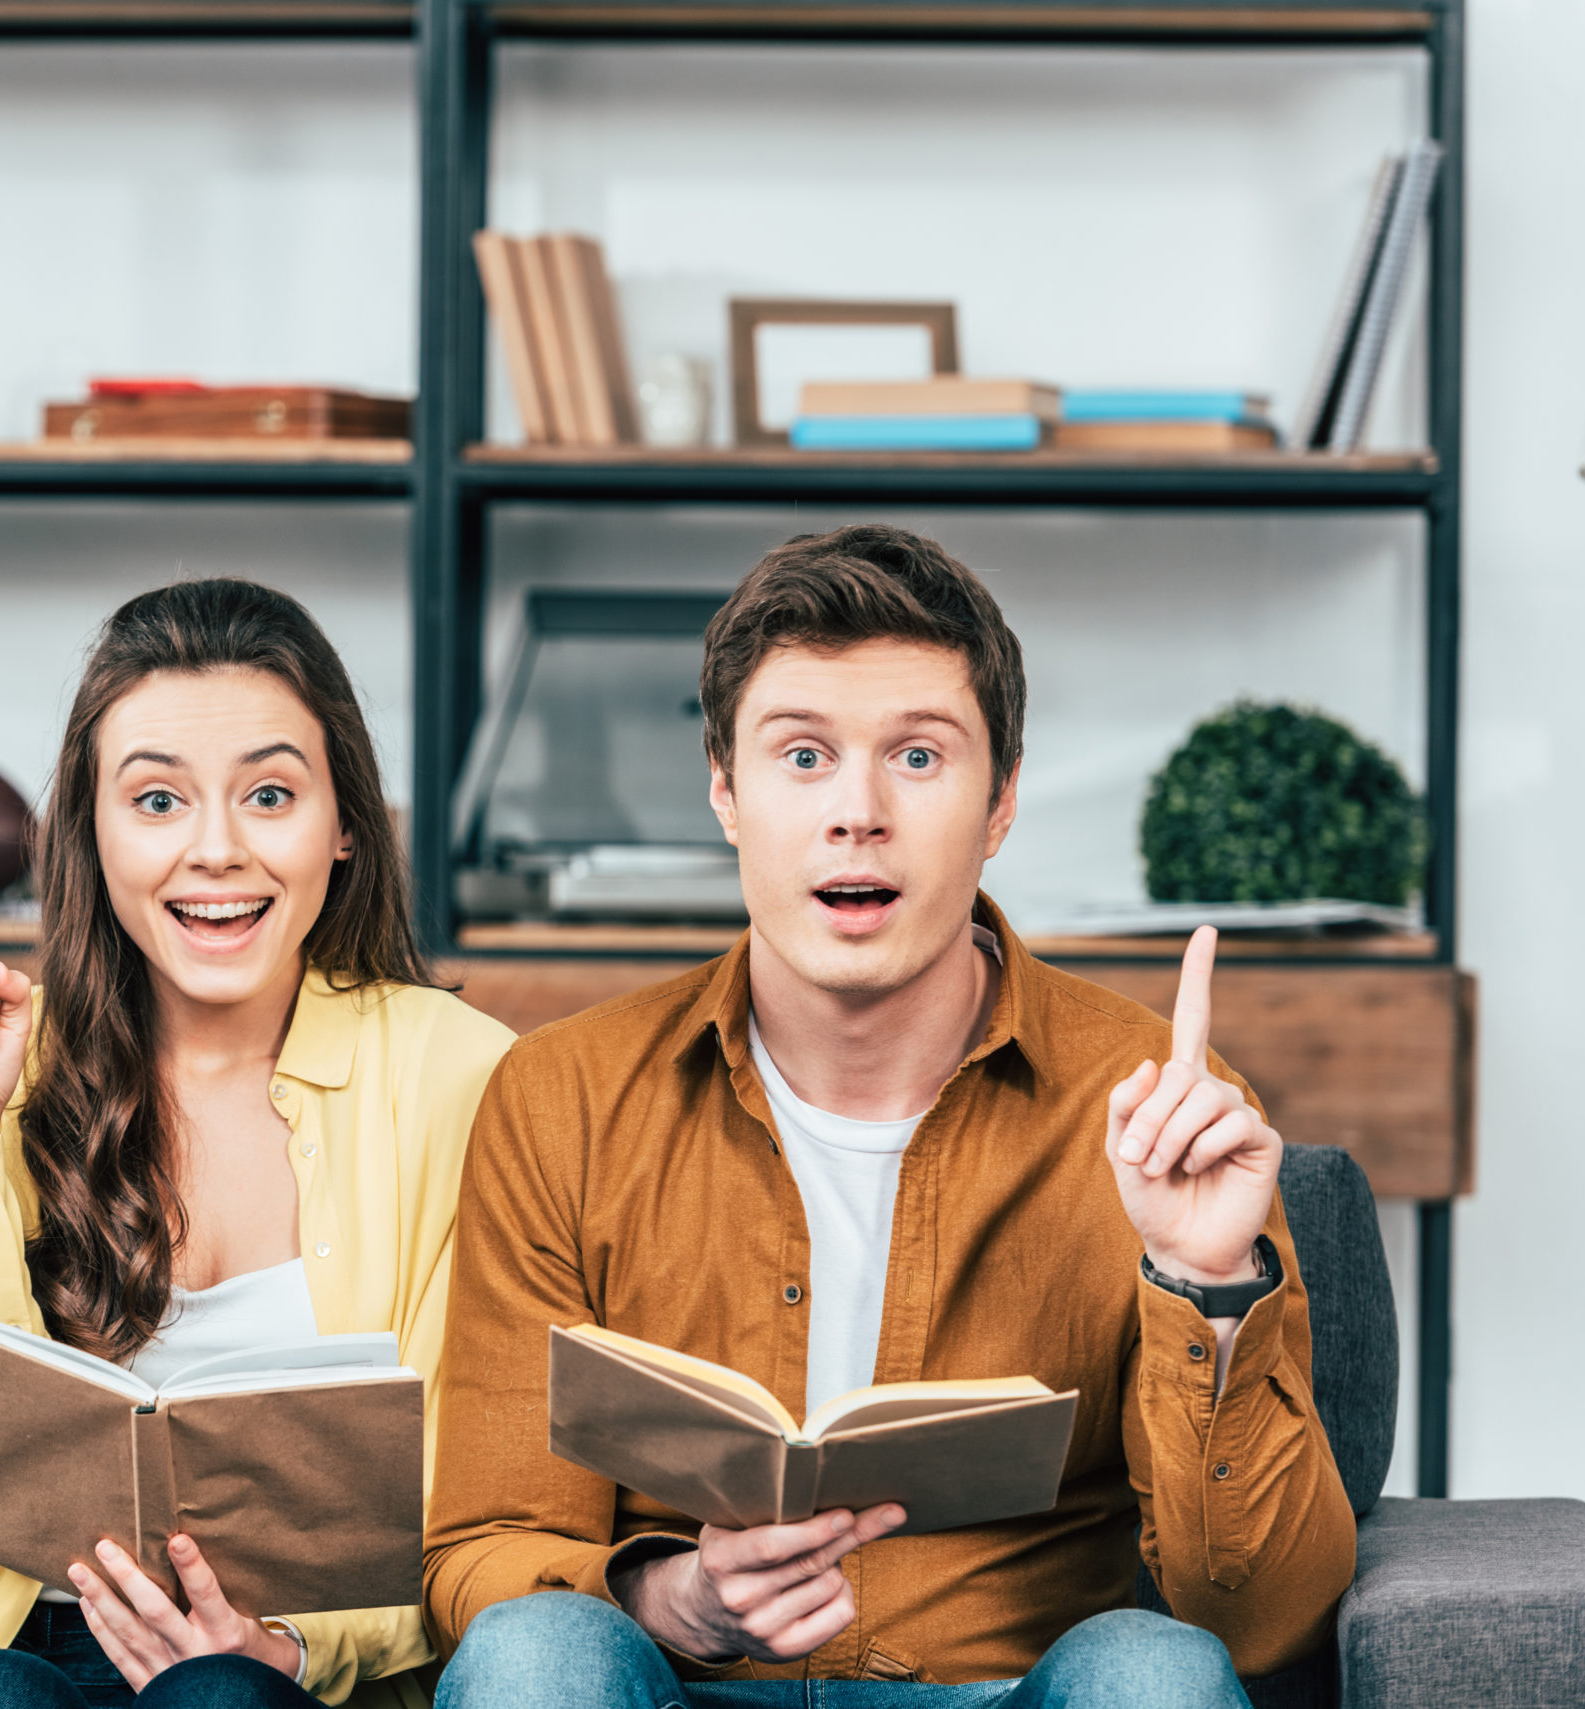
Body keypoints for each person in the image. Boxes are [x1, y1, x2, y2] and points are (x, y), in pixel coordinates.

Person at [423, 525, 1357, 1708]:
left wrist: (1209, 1287)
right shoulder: (561, 1096)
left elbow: (1270, 1618)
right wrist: (680, 1597)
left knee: (1154, 1672)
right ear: (724, 790)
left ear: (1001, 801)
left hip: (1004, 1688)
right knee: (532, 1656)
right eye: (801, 755)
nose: (856, 811)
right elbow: (483, 1549)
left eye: (917, 758)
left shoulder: (1161, 1102)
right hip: (679, 1686)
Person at [0, 579, 515, 1709]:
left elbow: (473, 1475)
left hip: (306, 1666)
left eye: (269, 794)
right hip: (42, 1633)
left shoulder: (457, 1073)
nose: (216, 849)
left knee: (216, 1697)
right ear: (91, 831)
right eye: (158, 800)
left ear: (344, 831)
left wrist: (293, 1643)